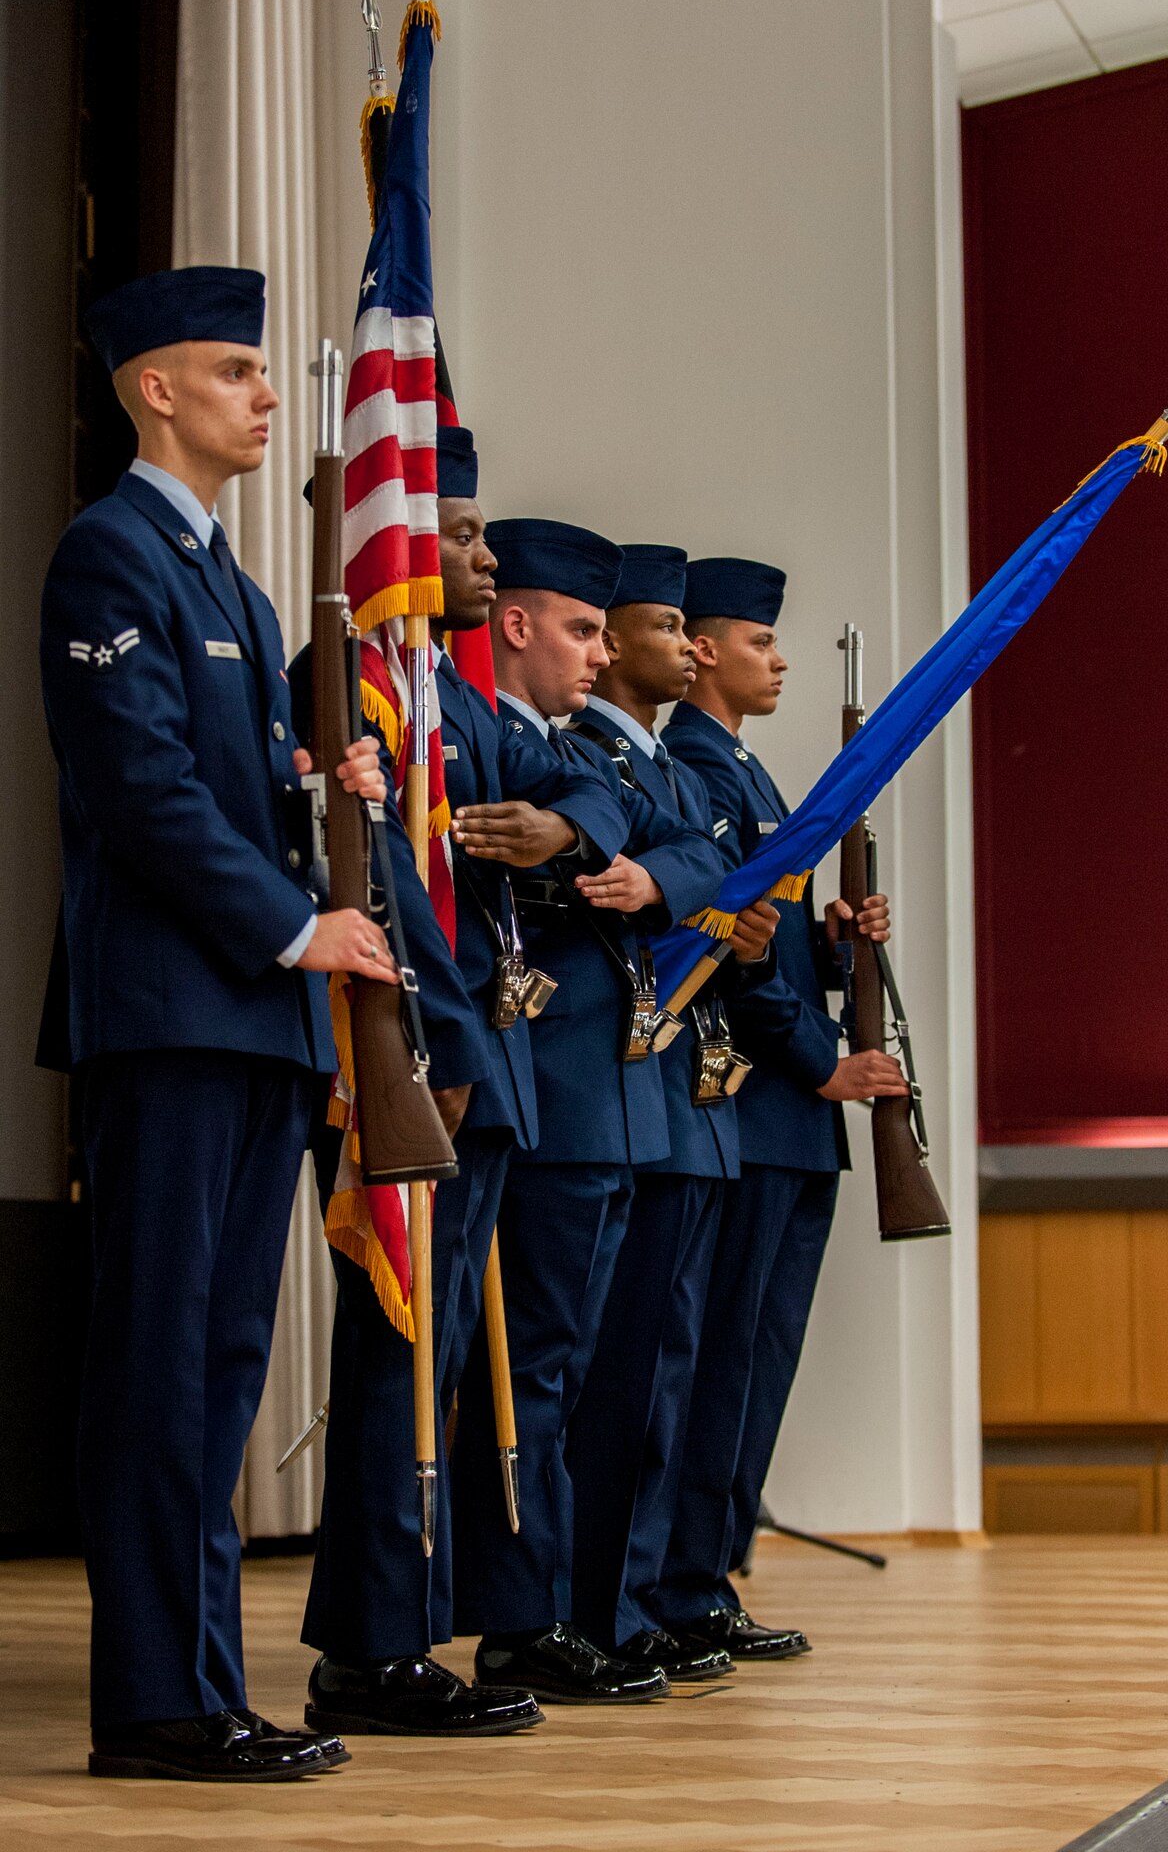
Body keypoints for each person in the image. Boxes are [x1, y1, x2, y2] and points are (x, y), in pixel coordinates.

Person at [39, 265, 397, 1781]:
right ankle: (155, 1703)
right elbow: (142, 789)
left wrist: (326, 793)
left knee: (223, 1362)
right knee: (161, 1358)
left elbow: (231, 785)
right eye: (234, 370)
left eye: (260, 372)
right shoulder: (110, 556)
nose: (262, 395)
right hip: (176, 1013)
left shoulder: (237, 588)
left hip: (252, 1019)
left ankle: (203, 1687)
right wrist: (294, 923)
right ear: (155, 389)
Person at [296, 430, 628, 1738]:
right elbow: (367, 873)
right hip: (406, 1060)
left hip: (477, 1064)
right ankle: (369, 1647)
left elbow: (589, 777)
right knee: (398, 1357)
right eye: (463, 529)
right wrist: (439, 1043)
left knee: (439, 1365)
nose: (484, 554)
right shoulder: (347, 682)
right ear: (387, 533)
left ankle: (414, 1627)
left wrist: (564, 828)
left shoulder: (459, 702)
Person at [448, 519, 725, 1704]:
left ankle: (555, 1604)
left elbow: (696, 849)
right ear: (518, 624)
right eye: (582, 629)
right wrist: (583, 842)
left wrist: (651, 873)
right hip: (550, 1087)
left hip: (609, 1095)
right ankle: (524, 1614)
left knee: (578, 1369)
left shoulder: (571, 755)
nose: (602, 653)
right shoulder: (488, 730)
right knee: (538, 1371)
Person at [650, 556, 906, 1662]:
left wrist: (835, 938)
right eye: (759, 641)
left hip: (787, 1120)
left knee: (757, 1361)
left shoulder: (746, 771)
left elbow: (778, 943)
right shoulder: (700, 770)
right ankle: (687, 1582)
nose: (779, 659)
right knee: (724, 1362)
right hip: (754, 1104)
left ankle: (709, 1572)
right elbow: (733, 961)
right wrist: (819, 1062)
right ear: (706, 649)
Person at [562, 544, 779, 1683]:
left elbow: (702, 864)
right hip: (628, 1080)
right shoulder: (599, 752)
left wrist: (700, 891)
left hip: (683, 1090)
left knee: (671, 1365)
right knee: (623, 1369)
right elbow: (677, 865)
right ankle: (607, 1603)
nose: (683, 647)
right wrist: (686, 883)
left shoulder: (672, 768)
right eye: (661, 627)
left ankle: (641, 1596)